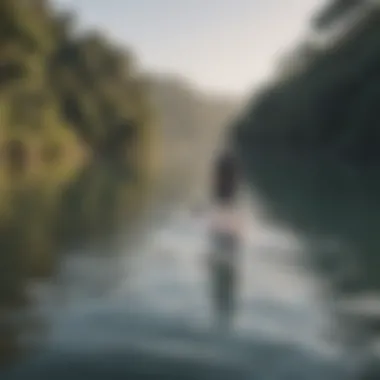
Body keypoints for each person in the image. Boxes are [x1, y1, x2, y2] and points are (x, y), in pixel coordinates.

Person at [208, 143, 241, 329]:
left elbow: (219, 179)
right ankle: (227, 243)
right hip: (227, 195)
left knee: (222, 223)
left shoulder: (224, 161)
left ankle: (223, 243)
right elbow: (234, 180)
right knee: (226, 223)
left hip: (224, 195)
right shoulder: (231, 161)